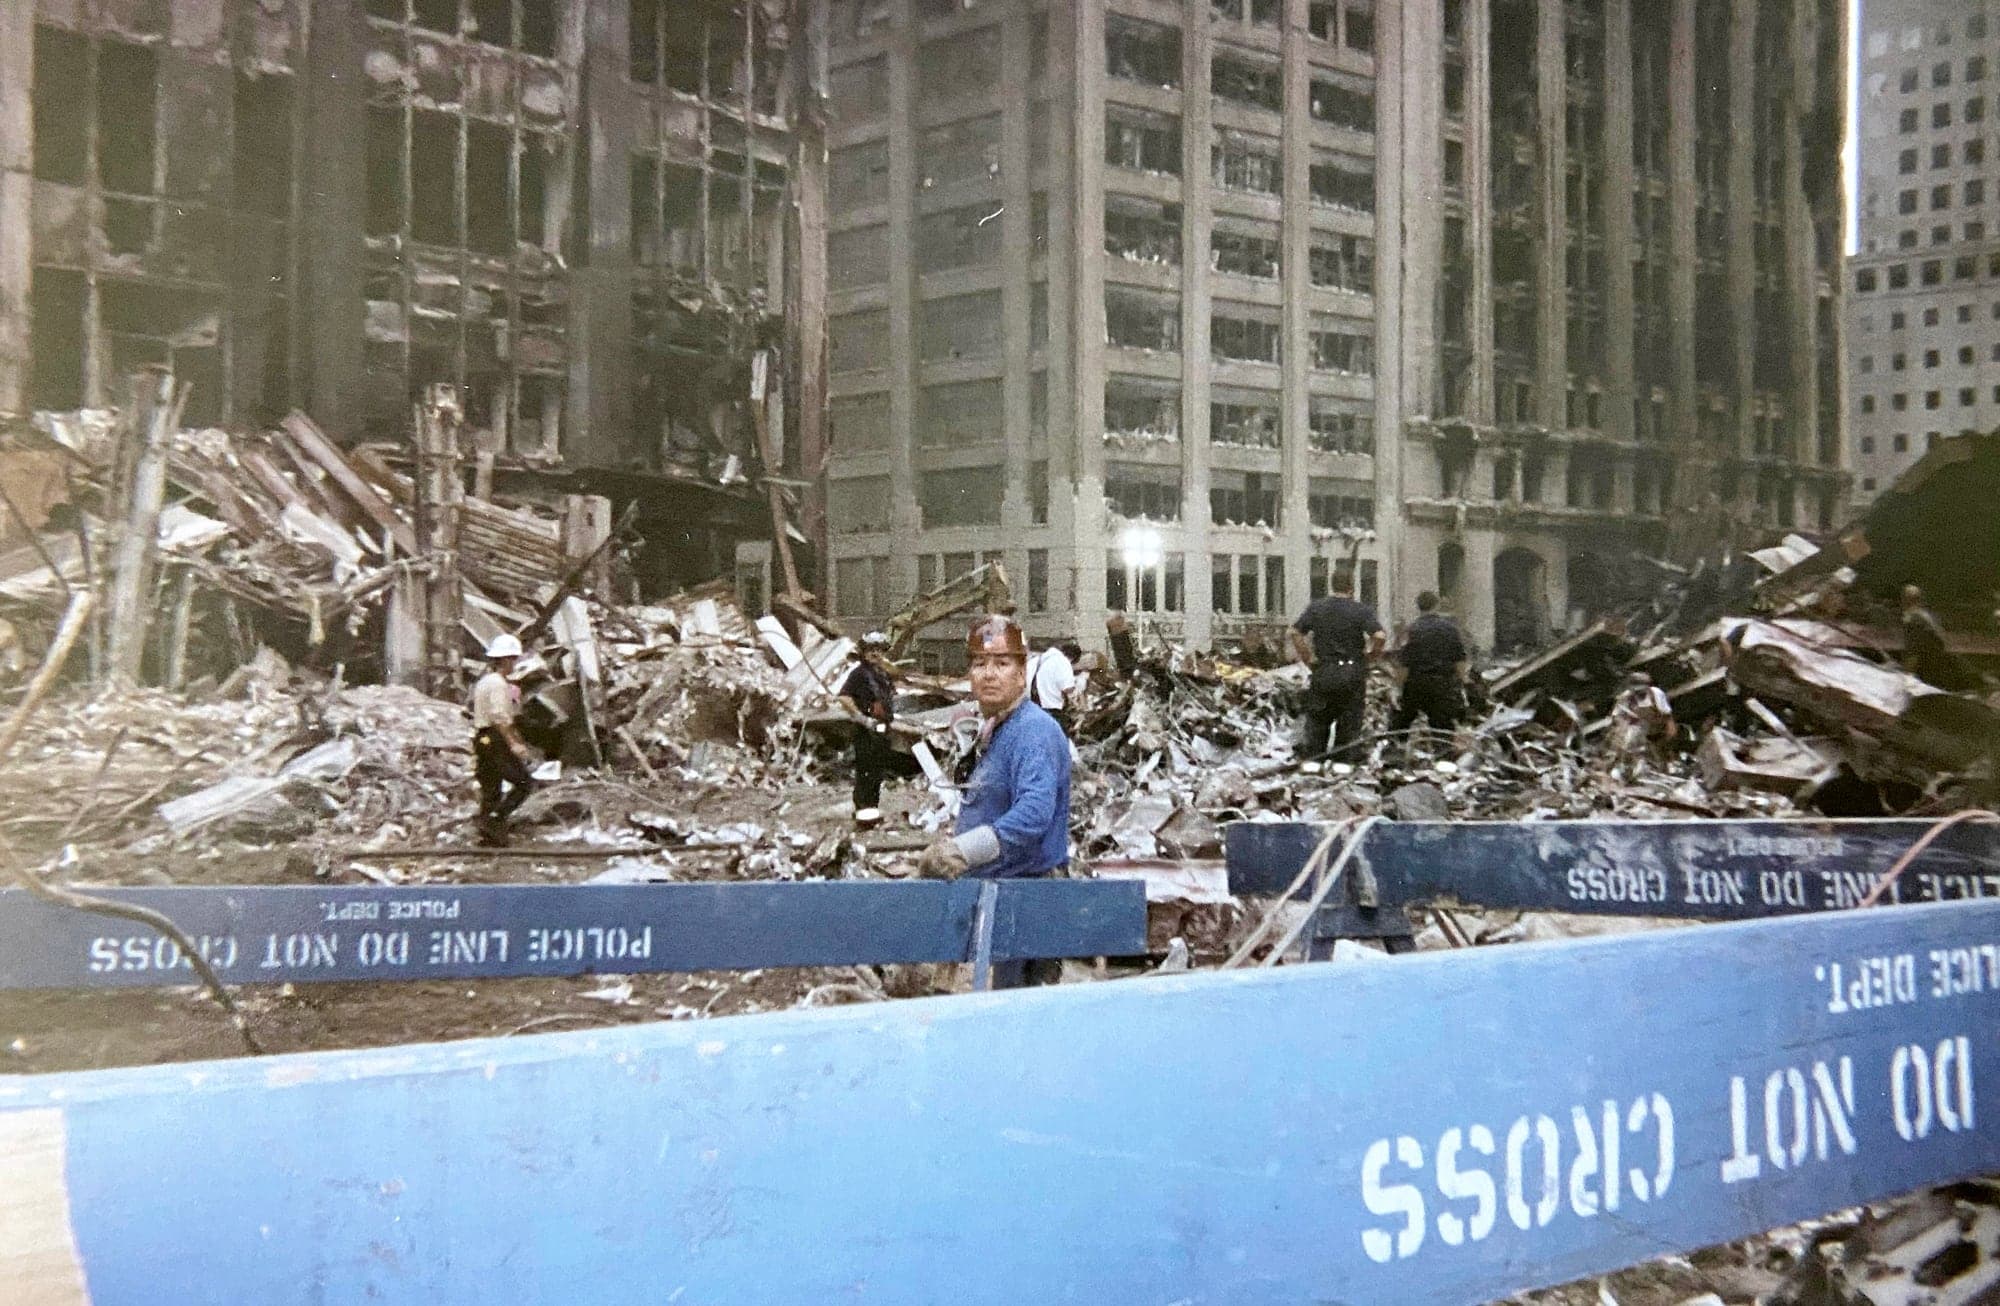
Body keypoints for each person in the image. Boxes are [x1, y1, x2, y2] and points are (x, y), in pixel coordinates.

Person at [918, 614, 1073, 988]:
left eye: (1002, 664)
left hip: (1030, 896)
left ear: (1022, 673)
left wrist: (962, 852)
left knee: (1019, 1017)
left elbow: (1034, 815)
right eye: (979, 664)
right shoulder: (998, 728)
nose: (989, 674)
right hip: (1003, 892)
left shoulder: (1032, 731)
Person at [1290, 575, 1386, 762]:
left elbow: (1295, 632)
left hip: (1324, 671)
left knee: (1318, 725)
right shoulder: (1360, 610)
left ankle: (1315, 767)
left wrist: (1308, 658)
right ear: (1351, 588)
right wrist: (1371, 656)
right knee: (1348, 729)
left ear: (1332, 586)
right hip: (1352, 674)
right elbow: (1380, 636)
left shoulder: (1317, 607)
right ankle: (1341, 767)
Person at [838, 632, 915, 825]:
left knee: (876, 774)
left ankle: (871, 812)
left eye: (878, 650)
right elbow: (843, 697)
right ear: (863, 652)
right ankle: (863, 816)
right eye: (871, 650)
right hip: (866, 730)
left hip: (882, 729)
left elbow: (894, 688)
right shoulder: (858, 674)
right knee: (866, 773)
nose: (875, 654)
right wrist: (861, 718)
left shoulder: (881, 673)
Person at [471, 633, 537, 846]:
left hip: (481, 738)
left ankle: (487, 835)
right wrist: (514, 744)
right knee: (524, 782)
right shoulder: (499, 684)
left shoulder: (484, 682)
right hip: (494, 737)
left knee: (491, 788)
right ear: (506, 659)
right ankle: (495, 820)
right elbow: (500, 717)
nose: (515, 663)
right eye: (514, 659)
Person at [1390, 591, 1469, 748]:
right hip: (1443, 686)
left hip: (1415, 685)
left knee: (1400, 725)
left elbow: (1404, 665)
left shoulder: (1412, 631)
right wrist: (1462, 683)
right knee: (1443, 730)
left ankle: (1396, 754)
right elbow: (1459, 660)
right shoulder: (1450, 630)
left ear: (1418, 607)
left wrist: (1397, 689)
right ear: (1437, 605)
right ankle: (1444, 761)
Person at [1900, 584, 1973, 690]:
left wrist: (1905, 677)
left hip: (1929, 675)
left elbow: (1913, 653)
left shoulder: (1913, 620)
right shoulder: (1928, 616)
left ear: (1904, 600)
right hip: (1943, 669)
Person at [1026, 638, 1080, 734]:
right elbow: (1068, 688)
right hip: (1051, 710)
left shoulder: (1034, 661)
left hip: (1031, 709)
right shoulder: (1062, 661)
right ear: (1072, 658)